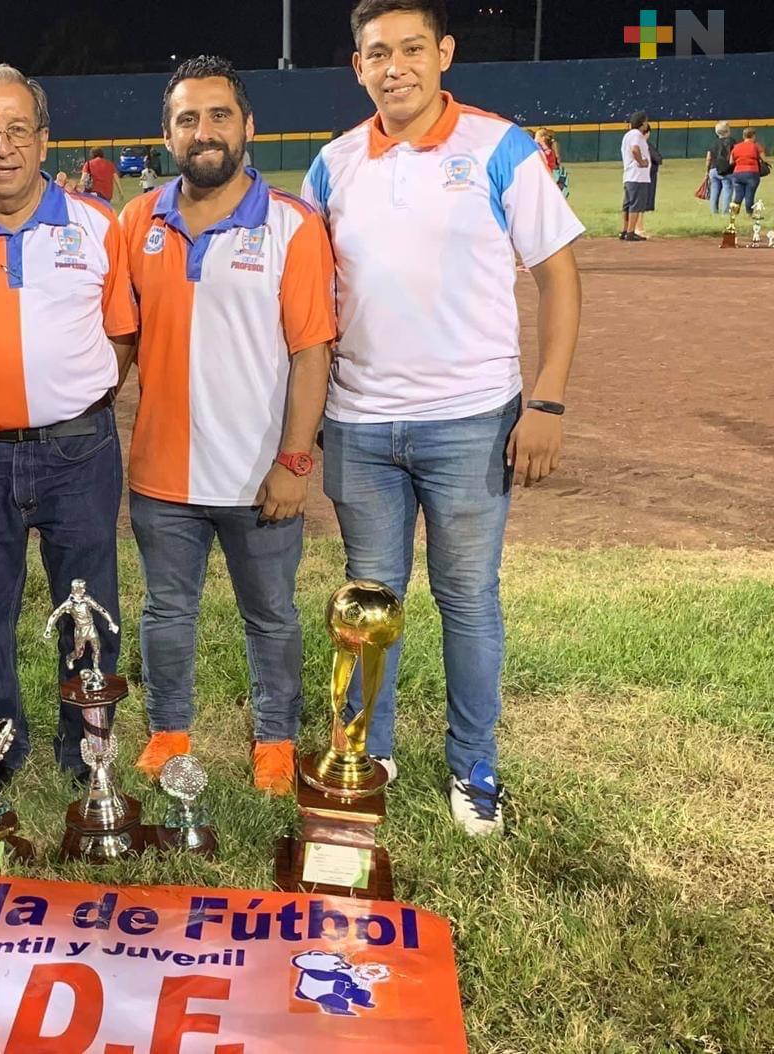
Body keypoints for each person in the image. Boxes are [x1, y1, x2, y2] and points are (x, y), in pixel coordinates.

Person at [303, 0, 583, 835]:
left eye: (413, 49)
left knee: (468, 599)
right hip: (359, 424)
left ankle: (474, 767)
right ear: (358, 67)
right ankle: (367, 748)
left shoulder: (500, 148)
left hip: (470, 421)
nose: (396, 67)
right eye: (378, 53)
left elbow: (559, 278)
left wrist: (548, 399)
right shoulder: (333, 164)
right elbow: (311, 297)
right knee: (369, 599)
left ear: (444, 54)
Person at [0, 65, 138, 786]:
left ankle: (86, 752)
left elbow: (122, 338)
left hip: (80, 449)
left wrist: (70, 400)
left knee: (89, 611)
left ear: (43, 141)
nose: (2, 147)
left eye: (17, 130)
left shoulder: (97, 226)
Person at [121, 56, 335, 794]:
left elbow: (313, 354)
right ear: (167, 135)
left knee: (271, 615)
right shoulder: (136, 220)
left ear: (248, 127)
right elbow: (118, 341)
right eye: (187, 119)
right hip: (162, 472)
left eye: (218, 116)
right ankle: (168, 731)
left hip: (261, 477)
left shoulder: (292, 226)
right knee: (166, 612)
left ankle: (275, 740)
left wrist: (295, 461)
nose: (203, 131)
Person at [619, 110, 651, 241]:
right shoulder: (636, 134)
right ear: (642, 122)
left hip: (630, 176)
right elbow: (635, 149)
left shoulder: (629, 135)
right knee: (635, 204)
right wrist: (642, 162)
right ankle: (631, 232)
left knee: (627, 204)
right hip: (637, 175)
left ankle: (625, 230)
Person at [633, 118, 662, 238]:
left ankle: (632, 229)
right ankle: (638, 229)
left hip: (635, 177)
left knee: (634, 204)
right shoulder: (644, 145)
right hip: (643, 177)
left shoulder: (631, 141)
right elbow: (658, 159)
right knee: (640, 205)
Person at [729, 127, 767, 214]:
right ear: (753, 136)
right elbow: (764, 159)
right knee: (749, 195)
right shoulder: (756, 146)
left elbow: (731, 162)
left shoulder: (736, 146)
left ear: (743, 136)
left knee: (738, 195)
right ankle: (749, 214)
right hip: (752, 173)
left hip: (737, 173)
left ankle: (733, 215)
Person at [705, 120, 735, 215]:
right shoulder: (732, 142)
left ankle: (714, 212)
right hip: (726, 169)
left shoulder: (713, 143)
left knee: (714, 191)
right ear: (727, 131)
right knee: (727, 189)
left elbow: (708, 158)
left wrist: (707, 171)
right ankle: (725, 212)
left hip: (713, 169)